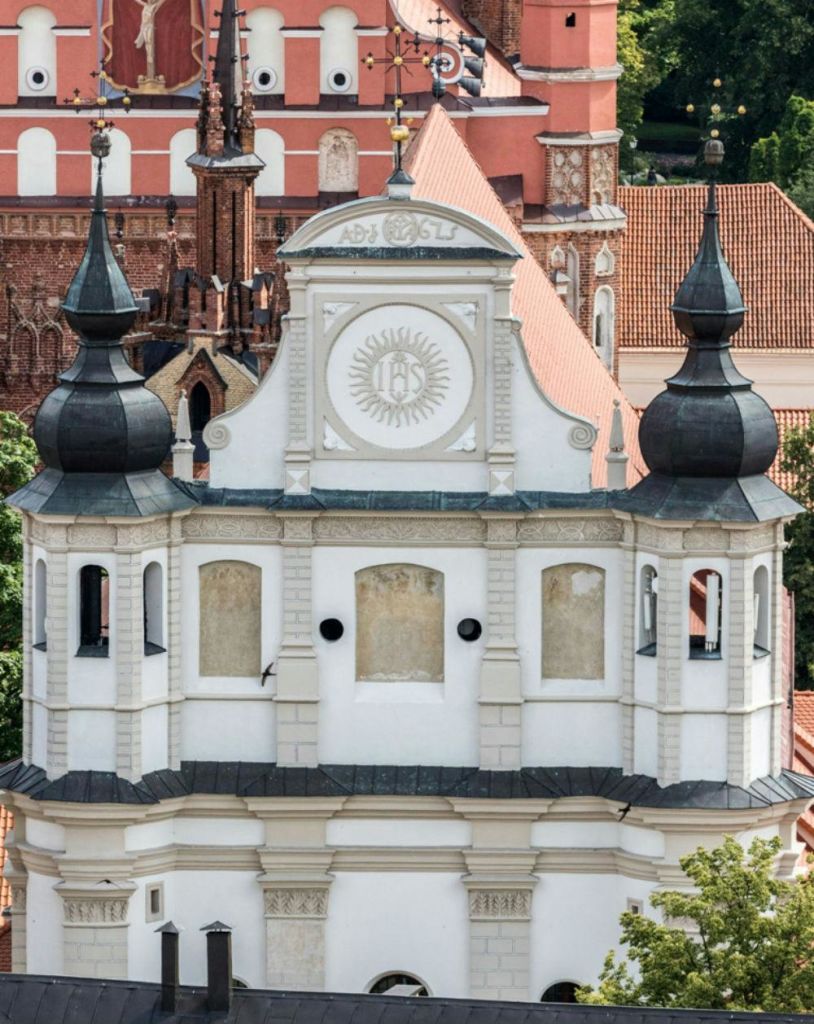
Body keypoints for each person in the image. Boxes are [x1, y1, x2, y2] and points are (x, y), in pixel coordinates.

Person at [134, 0, 167, 81]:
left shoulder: (154, 7)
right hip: (143, 28)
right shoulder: (145, 5)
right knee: (146, 44)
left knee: (149, 44)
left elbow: (162, 2)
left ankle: (150, 59)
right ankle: (149, 61)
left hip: (150, 27)